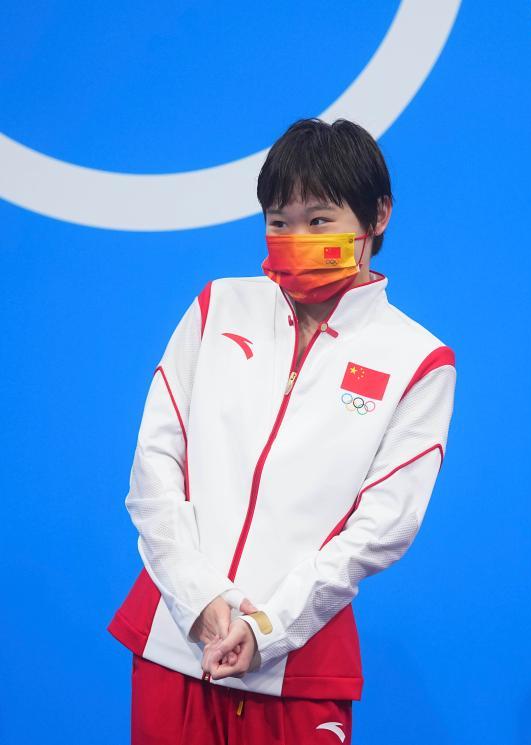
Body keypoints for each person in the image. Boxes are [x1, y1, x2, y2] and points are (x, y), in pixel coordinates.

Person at [108, 118, 457, 744]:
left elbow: (381, 528)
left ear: (378, 215)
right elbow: (154, 469)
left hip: (298, 670)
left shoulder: (417, 360)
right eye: (279, 221)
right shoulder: (217, 307)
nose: (297, 239)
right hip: (174, 643)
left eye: (319, 221)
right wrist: (199, 599)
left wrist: (267, 627)